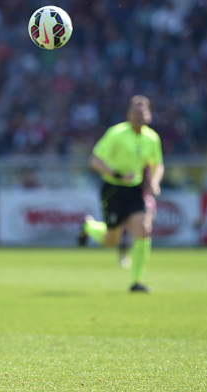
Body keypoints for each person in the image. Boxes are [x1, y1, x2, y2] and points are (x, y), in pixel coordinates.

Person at [78, 95, 164, 293]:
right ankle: (89, 226)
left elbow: (157, 164)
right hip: (114, 189)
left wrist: (154, 181)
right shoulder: (116, 134)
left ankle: (137, 282)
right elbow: (95, 161)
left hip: (134, 191)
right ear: (128, 115)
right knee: (111, 241)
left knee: (144, 230)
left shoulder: (152, 138)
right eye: (136, 112)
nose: (140, 116)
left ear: (149, 115)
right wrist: (116, 174)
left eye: (143, 112)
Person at [117, 166, 158, 269]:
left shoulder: (148, 162)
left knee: (144, 228)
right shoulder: (131, 161)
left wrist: (154, 184)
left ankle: (138, 259)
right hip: (130, 198)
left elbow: (156, 171)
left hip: (145, 198)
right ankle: (124, 254)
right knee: (122, 231)